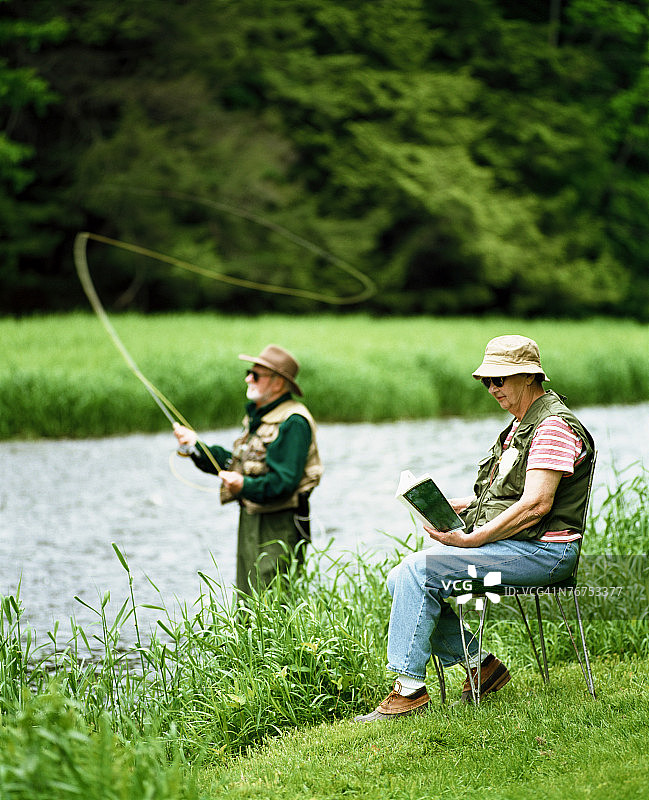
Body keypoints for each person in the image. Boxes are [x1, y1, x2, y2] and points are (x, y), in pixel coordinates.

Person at [355, 334, 595, 722]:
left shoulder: (551, 427)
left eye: (500, 379)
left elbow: (537, 504)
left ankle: (409, 690)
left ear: (529, 376)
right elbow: (512, 496)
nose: (492, 388)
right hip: (519, 545)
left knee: (416, 571)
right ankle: (480, 665)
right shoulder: (519, 426)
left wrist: (472, 539)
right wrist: (462, 506)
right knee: (401, 577)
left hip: (546, 552)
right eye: (487, 381)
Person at [174, 344, 323, 595]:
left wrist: (243, 485)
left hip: (280, 524)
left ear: (278, 383)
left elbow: (283, 483)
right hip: (252, 518)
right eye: (249, 373)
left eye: (255, 375)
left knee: (273, 599)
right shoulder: (260, 416)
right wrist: (195, 446)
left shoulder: (294, 422)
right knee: (248, 598)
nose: (248, 379)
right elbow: (237, 463)